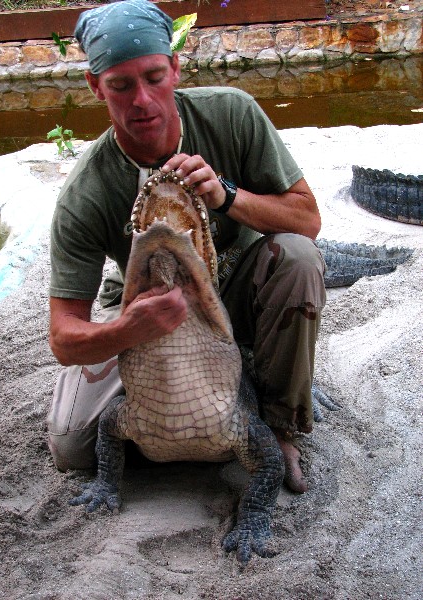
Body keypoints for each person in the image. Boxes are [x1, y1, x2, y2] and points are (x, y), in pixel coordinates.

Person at [47, 0, 326, 493]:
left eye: (154, 77)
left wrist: (228, 195)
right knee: (71, 448)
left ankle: (280, 424)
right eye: (120, 84)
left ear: (175, 68)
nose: (142, 101)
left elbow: (307, 220)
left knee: (299, 259)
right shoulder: (85, 192)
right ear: (95, 86)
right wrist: (128, 329)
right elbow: (63, 337)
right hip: (152, 310)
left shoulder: (232, 113)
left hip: (237, 289)